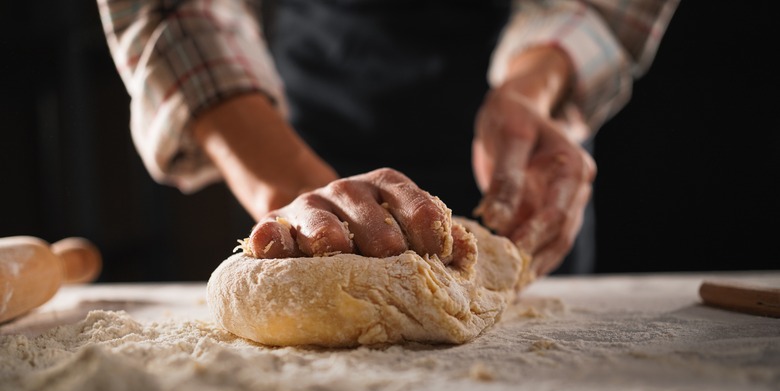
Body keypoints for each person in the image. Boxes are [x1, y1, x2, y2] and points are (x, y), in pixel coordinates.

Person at [97, 0, 679, 278]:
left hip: (518, 150)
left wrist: (531, 88)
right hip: (310, 115)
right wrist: (293, 185)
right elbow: (173, 10)